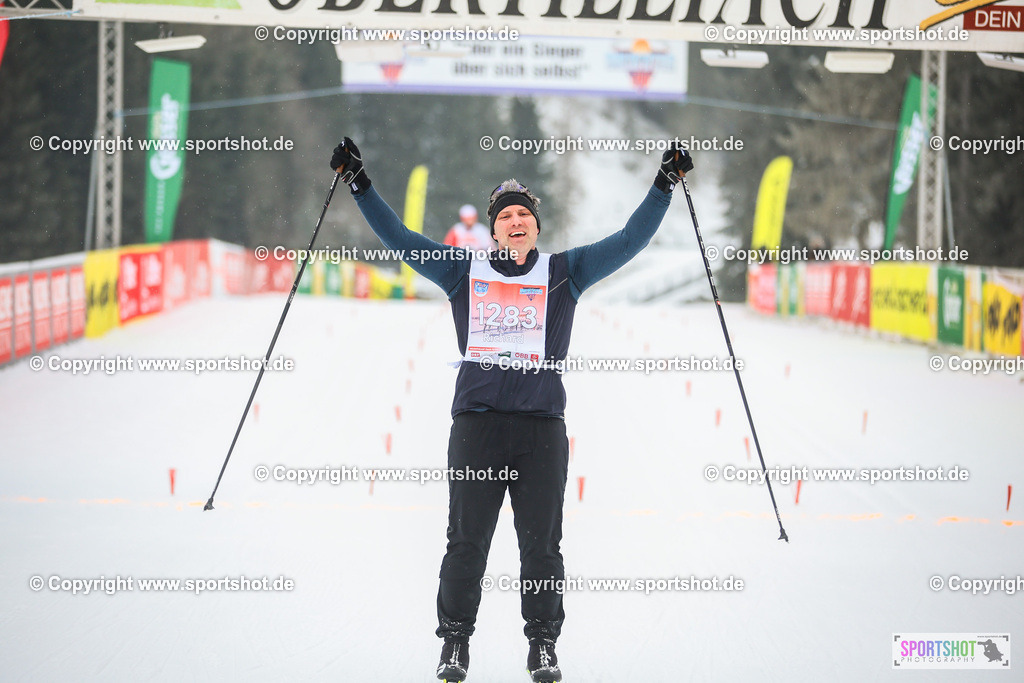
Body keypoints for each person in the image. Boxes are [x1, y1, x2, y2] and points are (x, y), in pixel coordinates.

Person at [329, 137, 694, 683]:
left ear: (535, 228)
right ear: (494, 229)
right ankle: (455, 644)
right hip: (476, 426)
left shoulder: (565, 272)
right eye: (508, 215)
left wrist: (664, 183)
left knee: (542, 549)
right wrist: (359, 181)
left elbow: (629, 240)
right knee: (466, 544)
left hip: (541, 431)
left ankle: (542, 646)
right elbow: (400, 239)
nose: (517, 221)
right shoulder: (462, 270)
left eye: (525, 214)